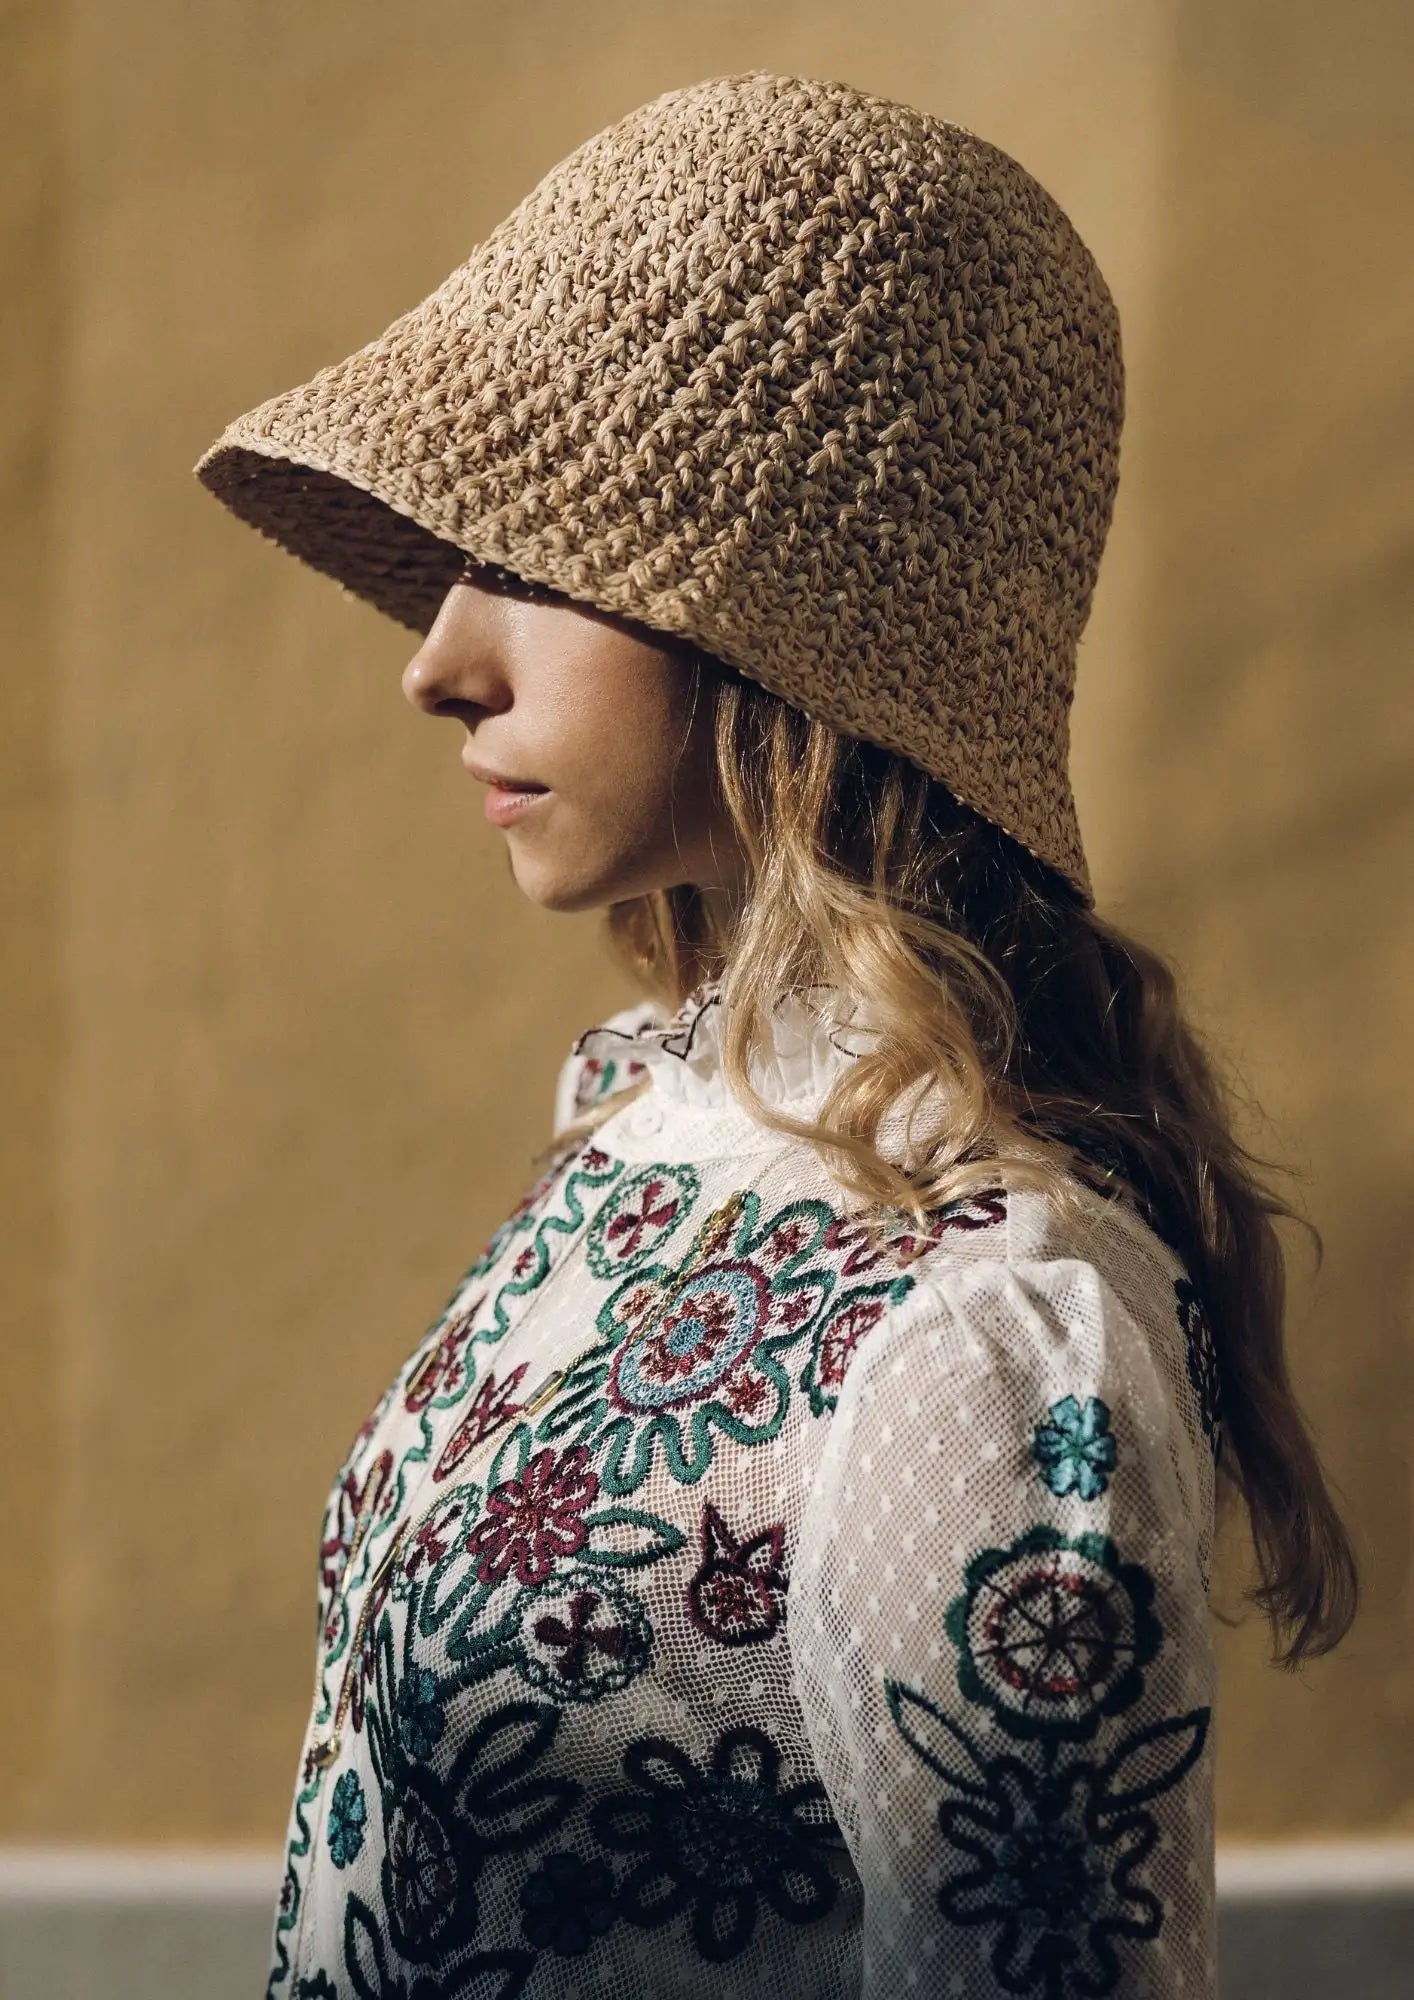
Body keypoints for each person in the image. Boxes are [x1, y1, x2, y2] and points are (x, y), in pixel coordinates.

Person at [194, 69, 1357, 2000]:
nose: (437, 660)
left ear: (800, 621)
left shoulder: (988, 1332)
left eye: (539, 558)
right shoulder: (654, 1132)